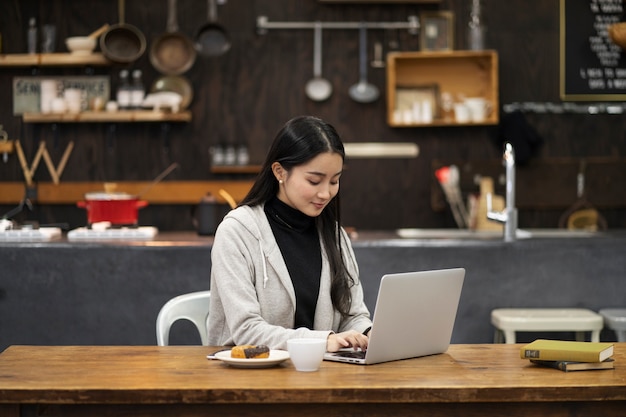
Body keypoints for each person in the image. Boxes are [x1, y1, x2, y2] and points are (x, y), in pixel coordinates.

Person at [207, 115, 372, 352]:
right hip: (248, 375)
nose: (326, 193)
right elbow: (246, 330)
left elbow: (353, 315)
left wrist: (369, 332)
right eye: (314, 181)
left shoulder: (334, 234)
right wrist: (322, 341)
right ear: (279, 172)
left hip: (317, 373)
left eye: (335, 181)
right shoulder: (237, 232)